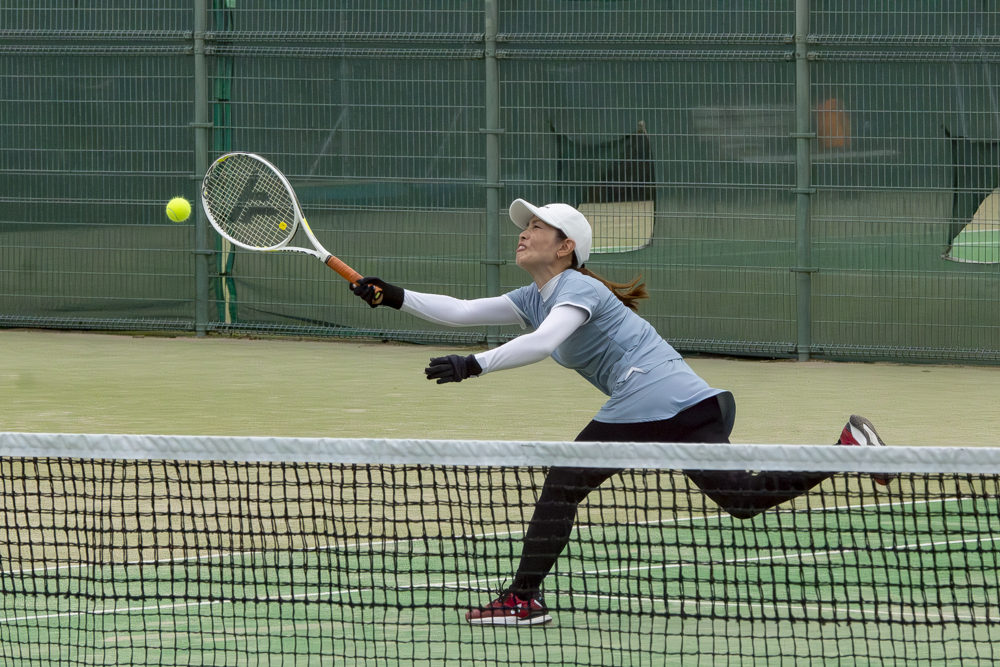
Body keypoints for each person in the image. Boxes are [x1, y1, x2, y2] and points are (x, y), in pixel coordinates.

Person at [350, 199, 895, 627]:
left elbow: (543, 343)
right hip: (687, 402)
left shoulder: (576, 288)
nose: (524, 233)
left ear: (565, 247)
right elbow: (463, 310)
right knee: (742, 499)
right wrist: (393, 295)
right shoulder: (535, 296)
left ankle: (522, 599)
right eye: (526, 226)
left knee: (563, 483)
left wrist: (475, 364)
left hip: (649, 395)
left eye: (537, 227)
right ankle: (844, 449)